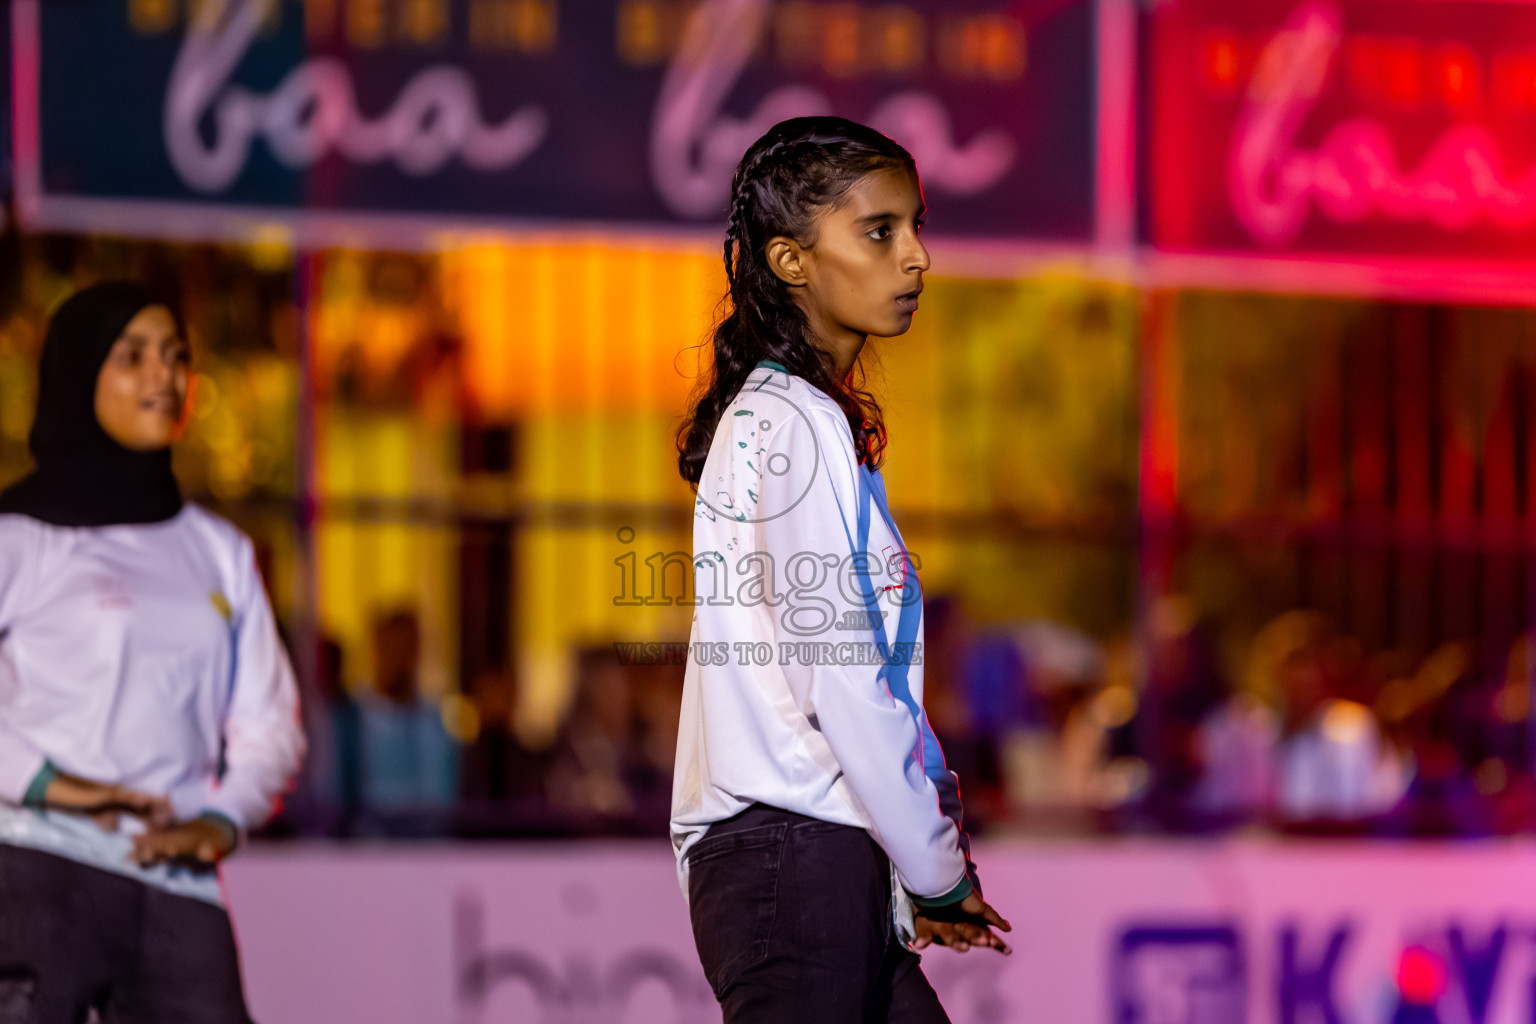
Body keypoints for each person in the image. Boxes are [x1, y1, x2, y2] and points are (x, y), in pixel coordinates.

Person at [670, 117, 1010, 1024]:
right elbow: (843, 674)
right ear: (789, 261)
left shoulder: (805, 422)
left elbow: (859, 677)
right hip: (793, 861)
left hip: (822, 859)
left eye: (916, 226)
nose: (916, 258)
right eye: (879, 231)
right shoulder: (790, 423)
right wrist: (934, 867)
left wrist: (921, 863)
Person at [0, 282, 305, 1023]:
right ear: (78, 374)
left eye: (175, 358)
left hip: (178, 884)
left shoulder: (218, 552)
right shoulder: (20, 537)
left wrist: (222, 818)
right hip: (37, 868)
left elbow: (272, 727)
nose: (162, 379)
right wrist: (49, 784)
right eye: (132, 357)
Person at [353, 607, 457, 836]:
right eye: (391, 647)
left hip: (428, 856)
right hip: (368, 856)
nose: (399, 658)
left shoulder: (436, 723)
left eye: (407, 647)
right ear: (376, 649)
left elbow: (443, 802)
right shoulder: (353, 721)